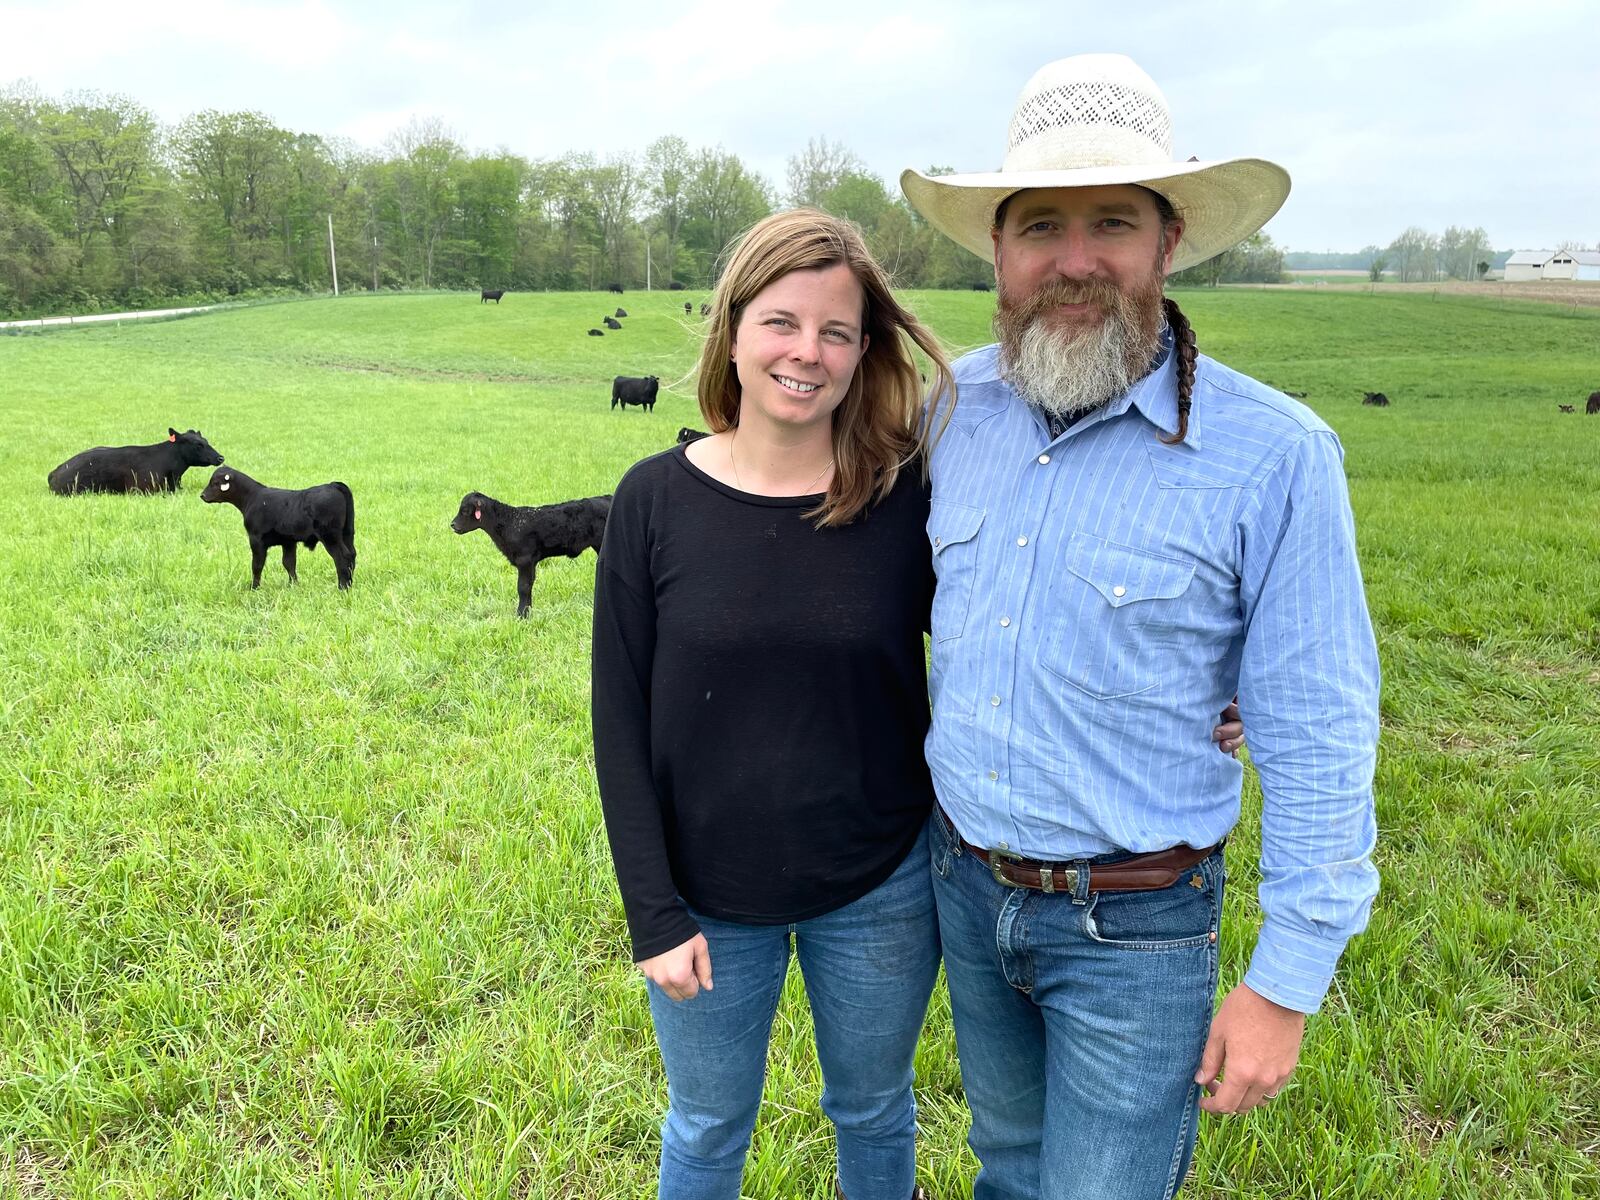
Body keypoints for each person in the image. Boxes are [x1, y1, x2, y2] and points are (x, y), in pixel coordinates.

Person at [898, 53, 1381, 1200]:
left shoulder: (1276, 455)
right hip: (964, 885)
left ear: (1168, 243)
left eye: (1111, 221)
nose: (1074, 260)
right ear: (998, 255)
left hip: (1138, 926)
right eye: (1039, 227)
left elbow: (1319, 725)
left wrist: (1285, 981)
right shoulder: (948, 413)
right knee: (1006, 1168)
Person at [590, 208, 954, 1200]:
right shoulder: (653, 501)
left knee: (874, 1110)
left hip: (878, 885)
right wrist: (652, 913)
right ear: (734, 330)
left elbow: (1003, 637)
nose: (809, 351)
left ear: (862, 351)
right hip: (704, 894)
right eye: (782, 322)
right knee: (707, 1124)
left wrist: (1196, 693)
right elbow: (616, 725)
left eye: (837, 332)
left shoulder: (905, 498)